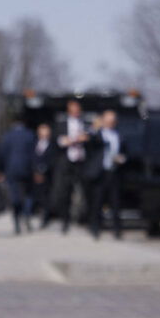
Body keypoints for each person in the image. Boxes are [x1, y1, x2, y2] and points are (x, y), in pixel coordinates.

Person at [86, 110, 125, 239]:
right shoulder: (97, 134)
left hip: (113, 172)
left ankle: (117, 230)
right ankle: (95, 228)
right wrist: (95, 127)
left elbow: (125, 151)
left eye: (112, 121)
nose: (110, 123)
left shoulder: (119, 135)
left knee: (115, 202)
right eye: (108, 120)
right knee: (97, 202)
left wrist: (121, 158)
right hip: (100, 172)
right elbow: (89, 142)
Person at [55, 99, 89, 234]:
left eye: (77, 109)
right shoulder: (61, 124)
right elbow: (59, 141)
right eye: (72, 109)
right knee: (65, 193)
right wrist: (73, 139)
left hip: (82, 162)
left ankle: (84, 219)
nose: (75, 111)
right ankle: (65, 221)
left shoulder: (85, 123)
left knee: (84, 191)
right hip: (67, 163)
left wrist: (85, 138)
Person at [0, 119, 36, 234]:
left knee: (15, 196)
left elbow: (2, 155)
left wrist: (1, 171)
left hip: (11, 170)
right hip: (27, 170)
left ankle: (16, 222)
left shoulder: (7, 136)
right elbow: (34, 154)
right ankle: (27, 215)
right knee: (28, 195)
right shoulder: (30, 135)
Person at [32, 123, 57, 228]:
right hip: (35, 174)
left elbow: (53, 160)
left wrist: (42, 170)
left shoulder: (52, 145)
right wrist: (35, 170)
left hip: (47, 175)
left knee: (46, 197)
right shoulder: (34, 143)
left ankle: (45, 217)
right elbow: (31, 158)